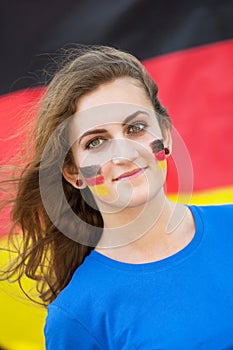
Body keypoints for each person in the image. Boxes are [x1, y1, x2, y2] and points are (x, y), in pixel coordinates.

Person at [1, 45, 233, 349]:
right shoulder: (76, 316)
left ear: (164, 134)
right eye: (96, 141)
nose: (124, 153)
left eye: (135, 128)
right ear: (73, 172)